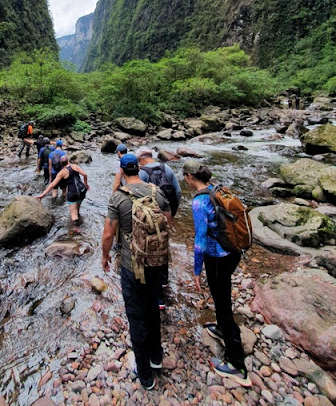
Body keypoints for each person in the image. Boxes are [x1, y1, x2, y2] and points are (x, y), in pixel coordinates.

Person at [102, 154, 172, 390]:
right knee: (153, 309)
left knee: (137, 317)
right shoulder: (156, 192)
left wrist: (104, 256)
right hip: (157, 264)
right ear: (138, 169)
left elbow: (108, 234)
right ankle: (156, 357)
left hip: (133, 269)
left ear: (122, 171)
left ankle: (145, 375)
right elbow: (168, 223)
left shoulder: (119, 198)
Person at [183, 159, 252, 388]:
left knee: (222, 304)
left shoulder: (200, 202)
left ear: (189, 177)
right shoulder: (217, 190)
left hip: (217, 258)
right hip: (232, 252)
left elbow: (200, 240)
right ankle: (222, 329)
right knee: (222, 295)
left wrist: (196, 271)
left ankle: (237, 366)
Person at [136, 146, 182, 310]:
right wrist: (172, 214)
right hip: (167, 214)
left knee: (151, 249)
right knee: (164, 247)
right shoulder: (167, 167)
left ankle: (155, 293)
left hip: (150, 218)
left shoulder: (142, 173)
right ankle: (164, 280)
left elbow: (139, 198)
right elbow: (177, 191)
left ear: (141, 159)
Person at [35, 155, 89, 226]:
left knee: (73, 214)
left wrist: (42, 195)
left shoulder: (62, 172)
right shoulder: (75, 166)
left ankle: (76, 230)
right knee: (77, 210)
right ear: (68, 161)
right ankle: (80, 222)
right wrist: (86, 185)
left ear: (61, 164)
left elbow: (52, 185)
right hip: (82, 190)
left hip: (72, 193)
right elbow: (85, 175)